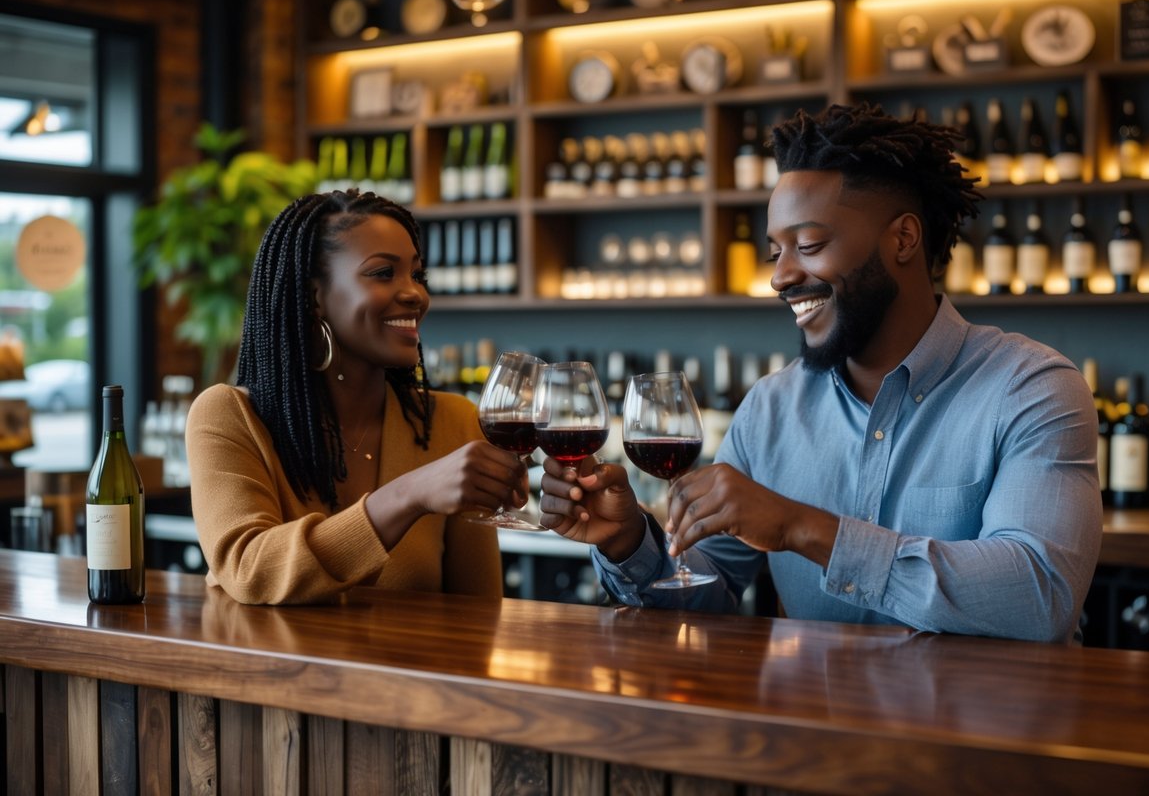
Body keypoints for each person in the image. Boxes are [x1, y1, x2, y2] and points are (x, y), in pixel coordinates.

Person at [539, 103, 1102, 643]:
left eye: (808, 245)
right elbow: (704, 596)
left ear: (903, 239)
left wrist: (802, 528)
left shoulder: (1032, 387)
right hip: (816, 734)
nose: (781, 277)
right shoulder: (770, 408)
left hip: (985, 736)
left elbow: (1039, 597)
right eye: (774, 253)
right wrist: (630, 543)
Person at [186, 190, 527, 604]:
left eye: (417, 275)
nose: (415, 294)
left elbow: (479, 613)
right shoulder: (230, 416)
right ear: (315, 298)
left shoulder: (453, 423)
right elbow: (249, 569)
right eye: (384, 273)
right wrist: (409, 494)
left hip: (406, 670)